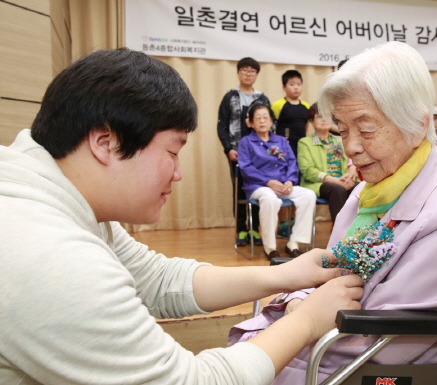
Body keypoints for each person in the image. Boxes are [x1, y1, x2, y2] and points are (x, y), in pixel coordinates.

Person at [0, 49, 366, 385]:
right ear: (105, 143)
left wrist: (286, 275)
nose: (178, 174)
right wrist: (306, 321)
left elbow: (158, 280)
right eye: (173, 152)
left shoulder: (57, 195)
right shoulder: (49, 255)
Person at [230, 42, 437, 384]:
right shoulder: (364, 194)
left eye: (366, 130)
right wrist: (298, 305)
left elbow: (391, 342)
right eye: (342, 129)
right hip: (340, 341)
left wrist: (296, 325)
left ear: (417, 125)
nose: (350, 147)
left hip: (395, 367)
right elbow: (331, 275)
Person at [238, 104, 316, 259]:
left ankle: (293, 243)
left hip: (282, 185)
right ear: (251, 123)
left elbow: (292, 162)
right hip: (258, 186)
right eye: (258, 118)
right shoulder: (246, 142)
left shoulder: (280, 140)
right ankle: (270, 246)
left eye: (265, 117)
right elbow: (246, 169)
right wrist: (268, 182)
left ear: (272, 120)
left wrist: (290, 181)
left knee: (308, 195)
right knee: (269, 199)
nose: (262, 121)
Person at [217, 57, 272, 247]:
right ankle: (241, 229)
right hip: (237, 153)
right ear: (238, 72)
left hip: (260, 154)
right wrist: (228, 149)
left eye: (252, 71)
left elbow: (269, 125)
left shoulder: (262, 99)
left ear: (257, 74)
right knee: (239, 191)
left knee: (259, 188)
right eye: (244, 70)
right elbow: (222, 126)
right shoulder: (230, 97)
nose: (248, 74)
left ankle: (255, 230)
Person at [297, 102, 357, 224]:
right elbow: (307, 170)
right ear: (311, 121)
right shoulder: (305, 143)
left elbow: (352, 158)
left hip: (344, 180)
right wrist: (334, 180)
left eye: (326, 116)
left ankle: (357, 232)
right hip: (321, 183)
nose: (323, 119)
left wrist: (351, 172)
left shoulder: (340, 140)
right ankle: (339, 232)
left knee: (360, 188)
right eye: (319, 116)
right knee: (337, 190)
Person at [271, 70, 310, 157]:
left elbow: (306, 125)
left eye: (299, 84)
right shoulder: (277, 105)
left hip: (301, 146)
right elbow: (271, 127)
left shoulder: (306, 106)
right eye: (292, 85)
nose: (296, 87)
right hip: (283, 147)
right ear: (284, 87)